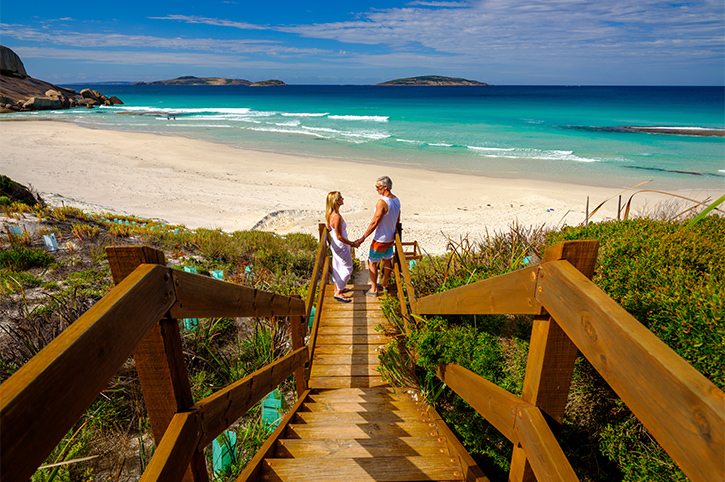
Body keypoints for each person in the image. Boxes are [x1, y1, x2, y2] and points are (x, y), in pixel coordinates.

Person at [355, 176, 400, 297]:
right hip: (390, 238)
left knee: (372, 262)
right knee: (387, 260)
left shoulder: (382, 202)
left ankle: (374, 289)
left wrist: (363, 237)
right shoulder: (396, 200)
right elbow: (398, 219)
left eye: (378, 187)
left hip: (380, 239)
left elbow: (375, 222)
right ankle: (384, 284)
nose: (376, 189)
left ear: (385, 187)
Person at [325, 191, 357, 302]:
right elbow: (339, 236)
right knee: (348, 268)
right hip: (341, 245)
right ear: (336, 201)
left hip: (335, 244)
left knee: (338, 266)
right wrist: (352, 243)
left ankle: (337, 288)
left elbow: (329, 227)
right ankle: (338, 292)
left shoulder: (330, 214)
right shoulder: (337, 217)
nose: (343, 199)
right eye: (340, 198)